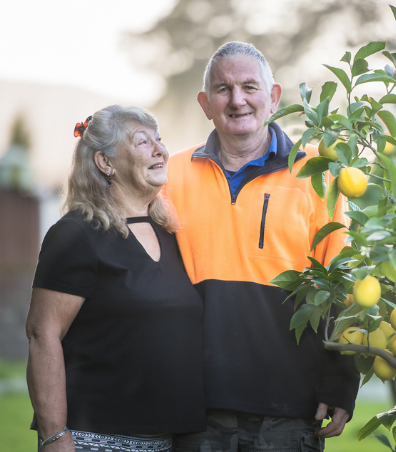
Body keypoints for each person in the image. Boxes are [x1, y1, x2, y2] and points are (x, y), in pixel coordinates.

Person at [165, 42, 360, 452]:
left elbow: (343, 281)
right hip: (194, 406)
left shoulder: (317, 175)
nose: (237, 100)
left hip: (291, 406)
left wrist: (343, 379)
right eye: (223, 89)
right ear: (205, 104)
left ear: (273, 98)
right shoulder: (170, 176)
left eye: (249, 87)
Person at [25, 105, 206, 452]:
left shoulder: (171, 233)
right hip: (95, 440)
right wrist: (54, 436)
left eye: (159, 139)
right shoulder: (75, 234)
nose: (160, 150)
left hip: (169, 441)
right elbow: (41, 334)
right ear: (105, 163)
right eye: (143, 142)